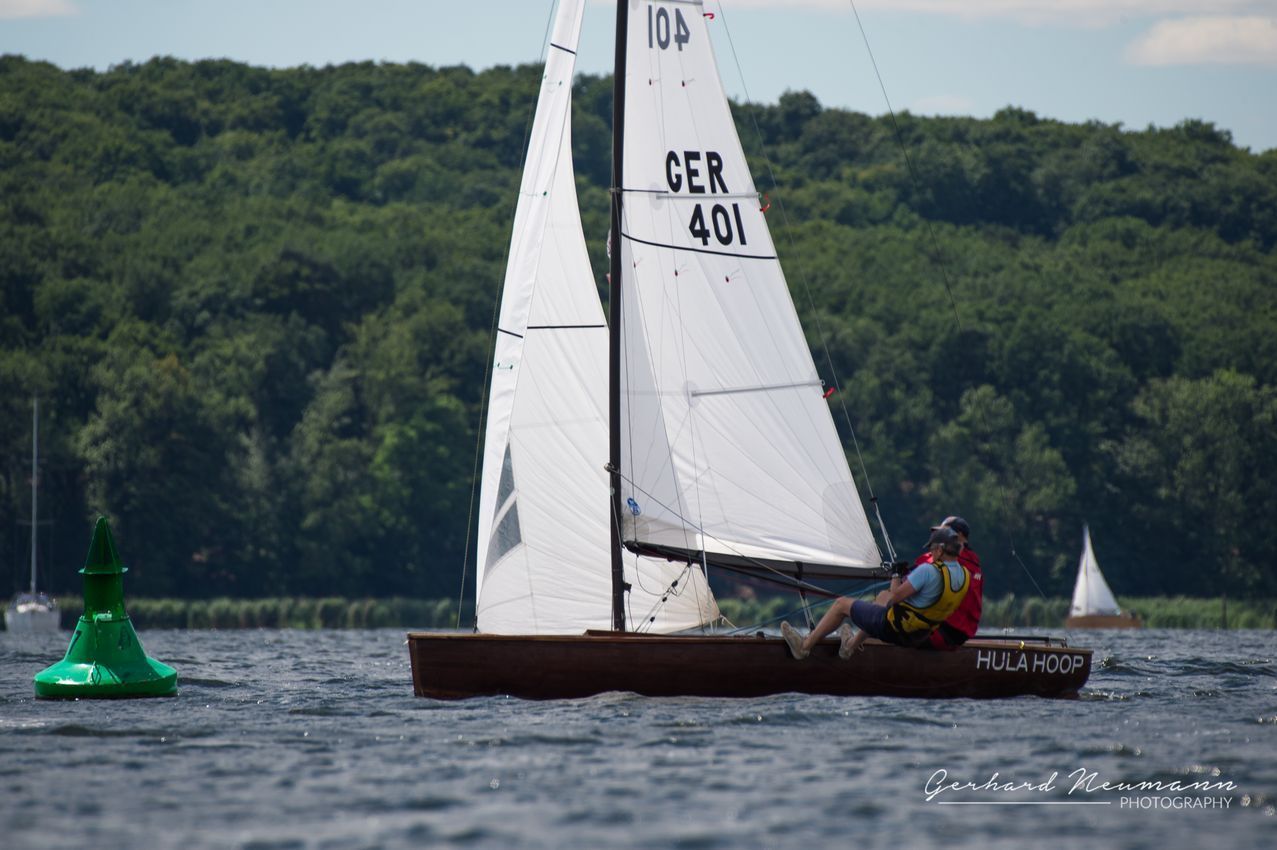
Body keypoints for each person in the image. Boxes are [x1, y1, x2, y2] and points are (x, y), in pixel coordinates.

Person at [781, 526, 970, 659]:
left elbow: (894, 599)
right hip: (920, 635)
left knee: (841, 604)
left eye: (932, 549)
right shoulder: (965, 575)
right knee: (880, 598)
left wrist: (896, 574)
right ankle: (849, 647)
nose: (931, 553)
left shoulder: (928, 570)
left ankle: (804, 647)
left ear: (940, 550)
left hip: (896, 630)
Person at [916, 516, 983, 650]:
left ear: (959, 536)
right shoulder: (974, 563)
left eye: (945, 532)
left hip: (945, 630)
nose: (940, 537)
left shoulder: (952, 559)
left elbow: (922, 565)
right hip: (962, 632)